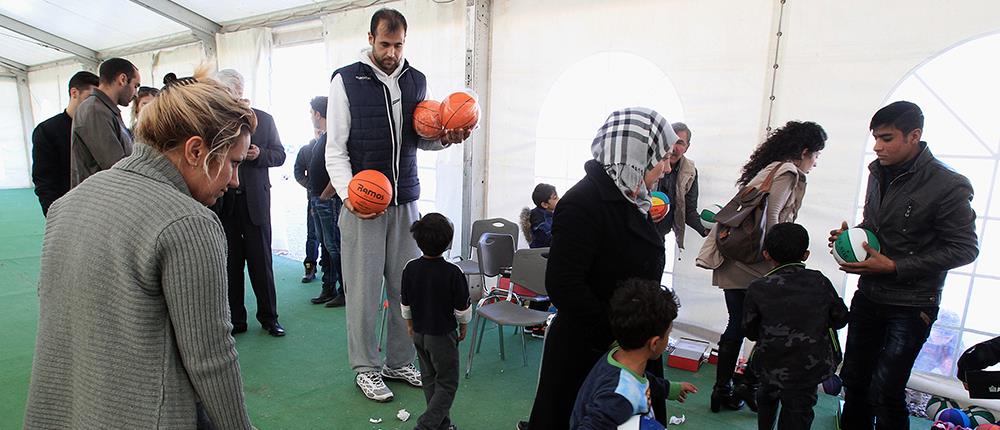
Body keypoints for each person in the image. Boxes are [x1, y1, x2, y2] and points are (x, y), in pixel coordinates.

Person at [24, 68, 256, 429]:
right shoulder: (189, 222)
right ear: (196, 150)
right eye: (233, 162)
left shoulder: (68, 203)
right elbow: (210, 358)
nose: (235, 180)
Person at [324, 8, 470, 402]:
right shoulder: (345, 80)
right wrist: (347, 196)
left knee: (407, 285)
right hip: (362, 205)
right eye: (385, 44)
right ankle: (366, 368)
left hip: (405, 199)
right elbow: (335, 150)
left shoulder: (416, 79)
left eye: (398, 44)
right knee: (363, 291)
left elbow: (421, 137)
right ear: (371, 39)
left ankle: (399, 362)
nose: (392, 52)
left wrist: (445, 138)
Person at [520, 107, 677, 430]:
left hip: (628, 343)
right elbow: (564, 284)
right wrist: (618, 336)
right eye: (661, 157)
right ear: (636, 155)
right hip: (594, 347)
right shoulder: (583, 202)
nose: (666, 166)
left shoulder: (633, 196)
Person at [833, 101, 979, 430]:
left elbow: (965, 248)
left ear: (914, 136)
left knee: (885, 391)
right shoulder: (877, 172)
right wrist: (853, 239)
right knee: (854, 382)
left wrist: (896, 266)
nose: (877, 146)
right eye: (875, 138)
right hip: (869, 293)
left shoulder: (948, 184)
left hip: (912, 305)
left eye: (886, 138)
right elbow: (879, 224)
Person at [696, 120, 827, 414]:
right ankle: (746, 385)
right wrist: (779, 259)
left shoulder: (768, 167)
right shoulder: (787, 171)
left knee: (737, 324)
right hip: (757, 262)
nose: (815, 163)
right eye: (816, 155)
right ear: (805, 151)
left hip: (736, 260)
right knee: (770, 327)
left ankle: (723, 391)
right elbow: (774, 218)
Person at [743, 222, 849, 430]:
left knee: (766, 401)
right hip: (808, 369)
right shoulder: (819, 281)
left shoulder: (758, 288)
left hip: (770, 365)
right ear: (806, 254)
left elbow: (750, 331)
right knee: (798, 414)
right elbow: (841, 318)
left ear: (766, 254)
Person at [215, 69, 288, 337]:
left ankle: (270, 318)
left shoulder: (264, 120)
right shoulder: (214, 120)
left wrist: (260, 154)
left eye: (232, 93)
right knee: (230, 264)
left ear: (240, 91)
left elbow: (280, 155)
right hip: (225, 203)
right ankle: (236, 320)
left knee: (262, 263)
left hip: (256, 201)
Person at [570, 279, 697, 429]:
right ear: (655, 343)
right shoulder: (620, 396)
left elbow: (641, 380)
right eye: (668, 334)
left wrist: (669, 389)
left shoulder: (619, 355)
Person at [400, 213, 471, 430]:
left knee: (429, 379)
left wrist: (410, 324)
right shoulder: (453, 271)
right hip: (442, 335)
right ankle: (427, 425)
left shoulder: (410, 267)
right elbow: (462, 307)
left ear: (417, 239)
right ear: (449, 241)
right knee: (448, 382)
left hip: (419, 333)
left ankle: (443, 425)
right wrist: (464, 325)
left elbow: (405, 300)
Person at [31, 71, 99, 216]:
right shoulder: (47, 130)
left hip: (97, 207)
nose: (94, 104)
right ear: (74, 93)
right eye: (89, 97)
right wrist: (53, 214)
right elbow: (44, 180)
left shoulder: (99, 128)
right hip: (66, 210)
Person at [70, 57, 140, 188]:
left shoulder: (106, 110)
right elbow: (116, 166)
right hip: (100, 199)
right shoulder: (94, 110)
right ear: (123, 79)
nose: (136, 94)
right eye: (135, 86)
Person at [306, 96, 347, 307]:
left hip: (327, 200)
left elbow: (339, 168)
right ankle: (328, 287)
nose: (310, 116)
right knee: (327, 246)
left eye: (311, 112)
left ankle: (344, 291)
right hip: (319, 199)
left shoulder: (335, 137)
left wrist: (326, 194)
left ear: (318, 114)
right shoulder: (325, 136)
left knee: (334, 247)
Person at [653, 122, 709, 248]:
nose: (673, 148)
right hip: (637, 230)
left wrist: (707, 229)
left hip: (659, 238)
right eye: (671, 141)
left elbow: (689, 211)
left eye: (680, 143)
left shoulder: (690, 172)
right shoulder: (648, 162)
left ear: (687, 147)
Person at [293, 126, 328, 284]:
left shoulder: (333, 146)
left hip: (333, 201)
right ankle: (310, 266)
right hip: (313, 199)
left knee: (332, 238)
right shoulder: (306, 150)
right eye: (316, 130)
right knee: (312, 235)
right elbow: (298, 172)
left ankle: (328, 267)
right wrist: (311, 185)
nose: (319, 132)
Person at [521, 183, 559, 248]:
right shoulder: (541, 223)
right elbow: (555, 240)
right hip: (543, 254)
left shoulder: (540, 212)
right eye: (555, 198)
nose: (559, 199)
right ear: (545, 205)